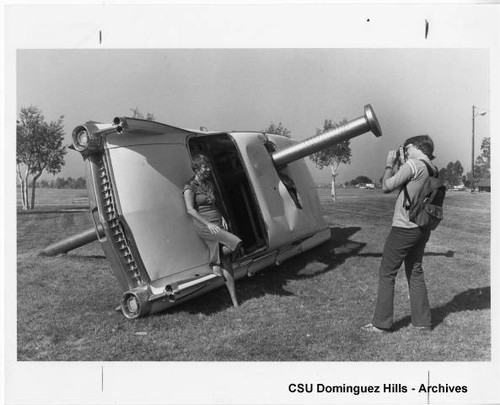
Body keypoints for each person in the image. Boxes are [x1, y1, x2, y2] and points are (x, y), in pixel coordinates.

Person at [361, 135, 437, 333]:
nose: (405, 151)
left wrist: (389, 165)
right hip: (422, 227)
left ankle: (381, 323)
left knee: (387, 272)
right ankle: (422, 321)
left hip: (404, 227)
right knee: (415, 270)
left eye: (406, 148)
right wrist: (401, 163)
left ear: (413, 147)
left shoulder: (413, 164)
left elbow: (386, 186)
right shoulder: (431, 168)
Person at [183, 154, 242, 308]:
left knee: (226, 259)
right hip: (204, 225)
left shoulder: (209, 184)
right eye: (205, 167)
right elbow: (190, 210)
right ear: (197, 168)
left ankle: (235, 301)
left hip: (216, 222)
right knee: (236, 242)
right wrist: (208, 224)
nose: (209, 169)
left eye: (209, 166)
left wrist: (221, 216)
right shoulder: (190, 186)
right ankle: (214, 263)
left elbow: (213, 204)